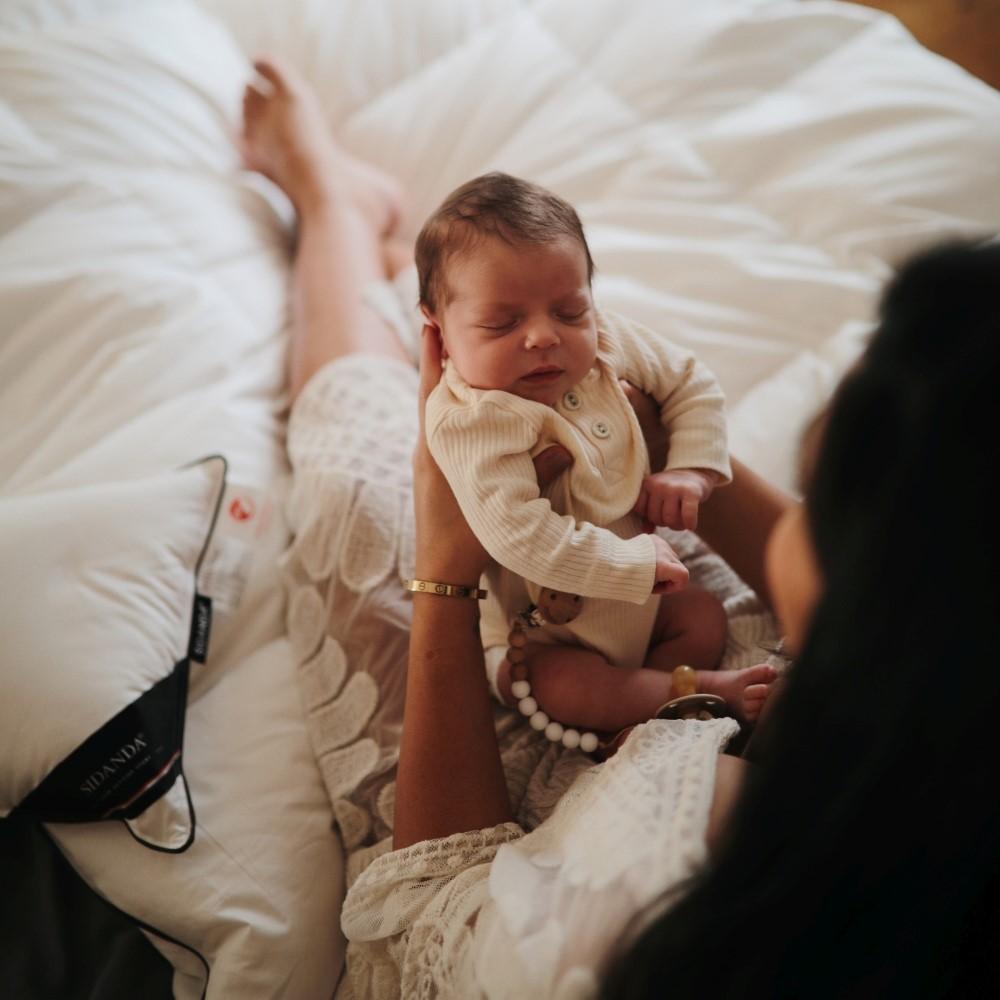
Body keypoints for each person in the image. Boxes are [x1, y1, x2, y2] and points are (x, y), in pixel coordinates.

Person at [247, 58, 1000, 999]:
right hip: (636, 591)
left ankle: (333, 206)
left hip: (545, 665)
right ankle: (362, 232)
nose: (554, 334)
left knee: (361, 484)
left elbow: (423, 934)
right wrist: (672, 463)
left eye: (571, 309)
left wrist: (445, 573)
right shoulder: (943, 681)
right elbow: (695, 428)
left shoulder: (698, 884)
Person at [417, 173, 775, 735]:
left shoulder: (606, 342)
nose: (543, 336)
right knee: (561, 685)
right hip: (539, 633)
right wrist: (627, 565)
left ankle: (648, 708)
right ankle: (705, 690)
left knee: (703, 616)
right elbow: (518, 532)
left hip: (639, 605)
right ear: (439, 331)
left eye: (568, 311)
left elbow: (691, 383)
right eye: (502, 323)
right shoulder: (473, 417)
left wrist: (691, 470)